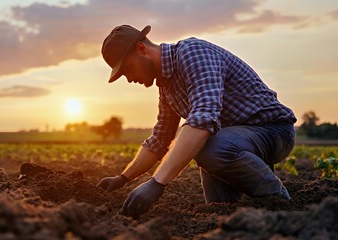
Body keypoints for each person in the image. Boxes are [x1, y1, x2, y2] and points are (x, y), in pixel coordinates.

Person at [97, 25, 296, 219]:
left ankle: (279, 201)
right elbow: (160, 139)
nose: (129, 79)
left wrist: (157, 183)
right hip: (234, 140)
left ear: (141, 49)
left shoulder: (193, 54)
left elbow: (203, 120)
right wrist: (123, 178)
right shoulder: (166, 86)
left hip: (273, 131)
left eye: (127, 69)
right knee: (220, 211)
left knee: (207, 146)